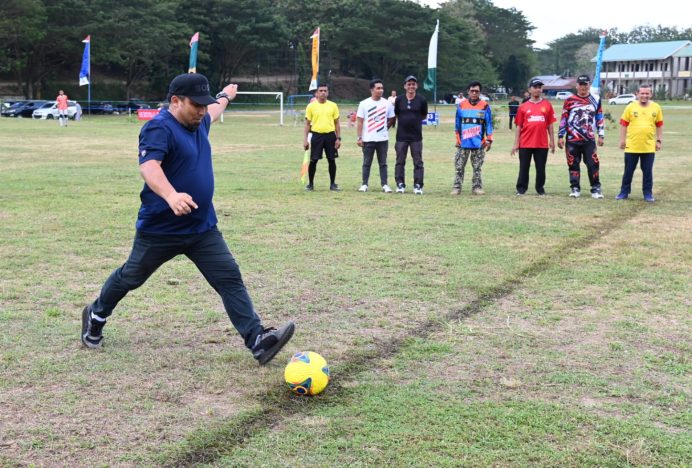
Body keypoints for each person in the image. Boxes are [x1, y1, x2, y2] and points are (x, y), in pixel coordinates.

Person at [81, 73, 294, 366]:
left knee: (229, 277)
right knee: (131, 276)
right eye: (197, 105)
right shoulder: (159, 128)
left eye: (205, 105)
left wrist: (226, 96)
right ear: (176, 101)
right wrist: (171, 196)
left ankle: (257, 340)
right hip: (161, 230)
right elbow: (150, 167)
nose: (203, 111)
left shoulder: (200, 120)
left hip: (202, 228)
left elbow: (216, 110)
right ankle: (96, 314)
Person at [557, 74, 605, 199]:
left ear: (589, 85)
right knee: (573, 163)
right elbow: (564, 118)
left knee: (593, 163)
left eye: (586, 84)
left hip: (589, 139)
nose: (583, 87)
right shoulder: (569, 100)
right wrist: (560, 136)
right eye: (581, 84)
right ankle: (575, 188)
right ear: (577, 86)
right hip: (572, 139)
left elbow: (599, 117)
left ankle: (596, 189)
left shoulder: (595, 99)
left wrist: (601, 134)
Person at [616, 84, 663, 202]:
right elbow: (623, 124)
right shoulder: (630, 107)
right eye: (642, 93)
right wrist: (622, 140)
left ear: (651, 94)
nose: (644, 95)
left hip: (648, 147)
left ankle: (648, 193)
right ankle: (624, 192)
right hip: (632, 146)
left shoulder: (656, 107)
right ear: (637, 94)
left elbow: (659, 125)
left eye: (647, 93)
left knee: (647, 172)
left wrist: (659, 140)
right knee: (628, 171)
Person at [511, 78, 556, 196]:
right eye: (535, 87)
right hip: (525, 143)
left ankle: (540, 188)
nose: (538, 89)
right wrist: (516, 143)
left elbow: (550, 124)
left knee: (541, 168)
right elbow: (519, 126)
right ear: (529, 90)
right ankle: (521, 189)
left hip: (541, 143)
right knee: (524, 167)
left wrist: (552, 141)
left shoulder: (547, 105)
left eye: (539, 87)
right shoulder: (523, 107)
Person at [451, 81, 494, 195]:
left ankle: (477, 187)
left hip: (479, 142)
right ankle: (457, 187)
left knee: (477, 167)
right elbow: (457, 123)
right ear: (468, 92)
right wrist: (457, 138)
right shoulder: (461, 105)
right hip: (463, 142)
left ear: (480, 92)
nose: (474, 93)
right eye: (472, 91)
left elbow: (489, 124)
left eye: (477, 91)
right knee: (459, 166)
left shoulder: (485, 106)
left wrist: (489, 139)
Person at [356, 79, 396, 193]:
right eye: (378, 88)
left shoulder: (387, 103)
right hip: (368, 139)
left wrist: (384, 128)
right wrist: (359, 137)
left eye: (382, 88)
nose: (381, 90)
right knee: (366, 163)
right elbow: (360, 122)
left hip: (382, 139)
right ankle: (364, 184)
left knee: (383, 163)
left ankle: (385, 185)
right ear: (372, 90)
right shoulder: (364, 103)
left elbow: (391, 119)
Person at [303, 83, 341, 191]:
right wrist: (305, 140)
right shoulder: (311, 106)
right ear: (316, 93)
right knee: (313, 160)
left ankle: (333, 184)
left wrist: (338, 138)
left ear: (328, 93)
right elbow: (307, 124)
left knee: (332, 160)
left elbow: (337, 123)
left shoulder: (333, 105)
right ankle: (310, 184)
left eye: (325, 91)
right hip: (316, 136)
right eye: (321, 91)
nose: (323, 93)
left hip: (330, 136)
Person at [393, 75, 428, 194]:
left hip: (416, 137)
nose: (411, 86)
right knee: (400, 161)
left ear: (416, 86)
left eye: (413, 84)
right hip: (401, 136)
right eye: (409, 84)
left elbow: (424, 115)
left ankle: (418, 185)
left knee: (418, 162)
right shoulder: (399, 99)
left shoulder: (422, 100)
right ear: (405, 86)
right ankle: (400, 184)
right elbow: (397, 114)